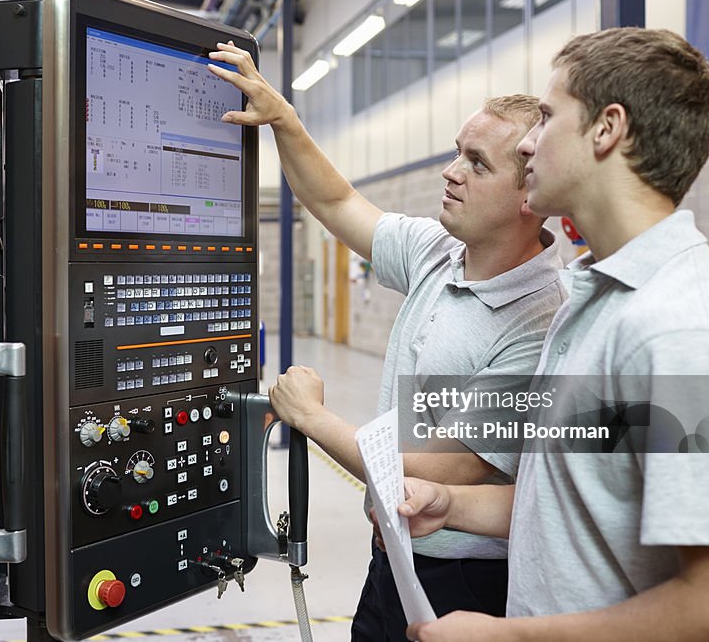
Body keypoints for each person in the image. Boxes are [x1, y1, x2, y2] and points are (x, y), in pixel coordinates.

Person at [399, 27, 709, 642]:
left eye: (547, 116)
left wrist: (509, 635)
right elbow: (584, 498)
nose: (527, 143)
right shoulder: (593, 295)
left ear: (607, 128)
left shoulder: (684, 329)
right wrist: (455, 505)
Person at [207, 43, 565, 641]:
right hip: (395, 556)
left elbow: (426, 469)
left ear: (531, 193)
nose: (451, 172)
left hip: (465, 578)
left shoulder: (539, 321)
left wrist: (312, 418)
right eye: (456, 153)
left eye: (477, 164)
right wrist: (285, 121)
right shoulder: (439, 252)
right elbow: (336, 200)